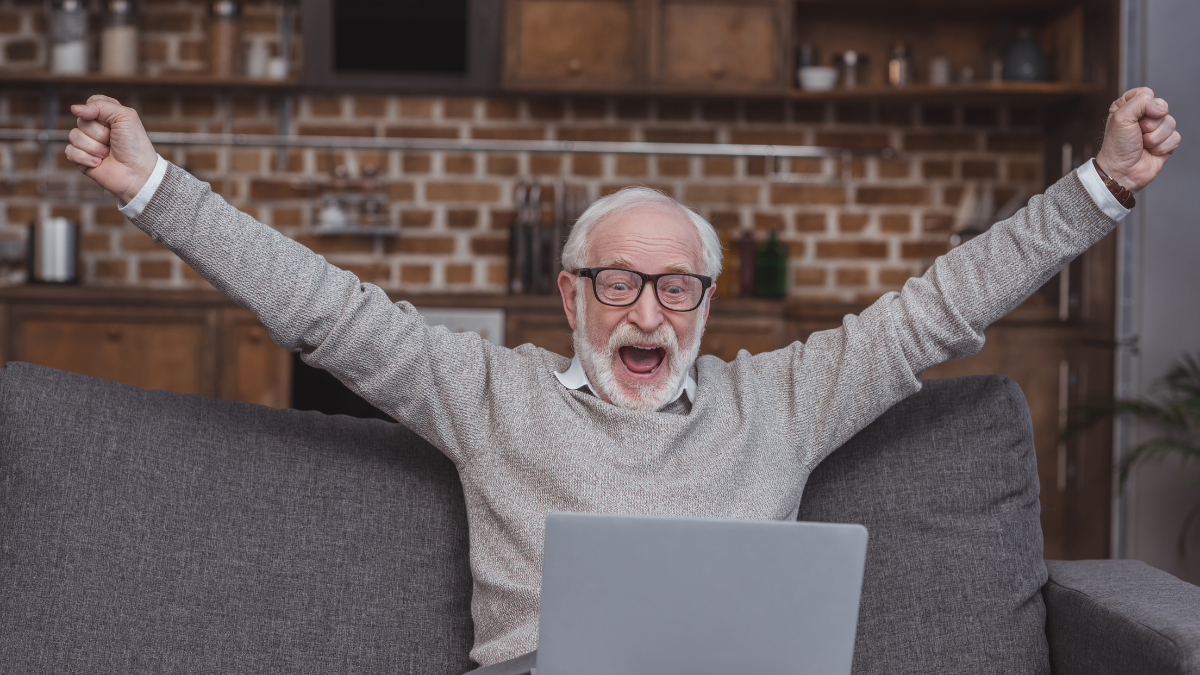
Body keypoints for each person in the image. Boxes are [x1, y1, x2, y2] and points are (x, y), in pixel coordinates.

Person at [64, 88, 1179, 669]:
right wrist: (151, 186)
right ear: (571, 298)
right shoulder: (487, 394)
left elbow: (941, 307)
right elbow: (326, 309)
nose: (647, 312)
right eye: (619, 285)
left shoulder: (779, 401)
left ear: (705, 304)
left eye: (675, 288)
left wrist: (1104, 187)